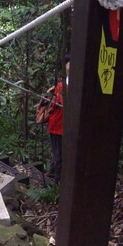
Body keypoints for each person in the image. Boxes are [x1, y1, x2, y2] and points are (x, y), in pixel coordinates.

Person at [45, 54, 70, 183]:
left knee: (62, 153)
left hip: (68, 125)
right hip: (57, 125)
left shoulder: (74, 82)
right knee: (58, 152)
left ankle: (55, 176)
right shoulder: (60, 85)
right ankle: (55, 179)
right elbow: (58, 101)